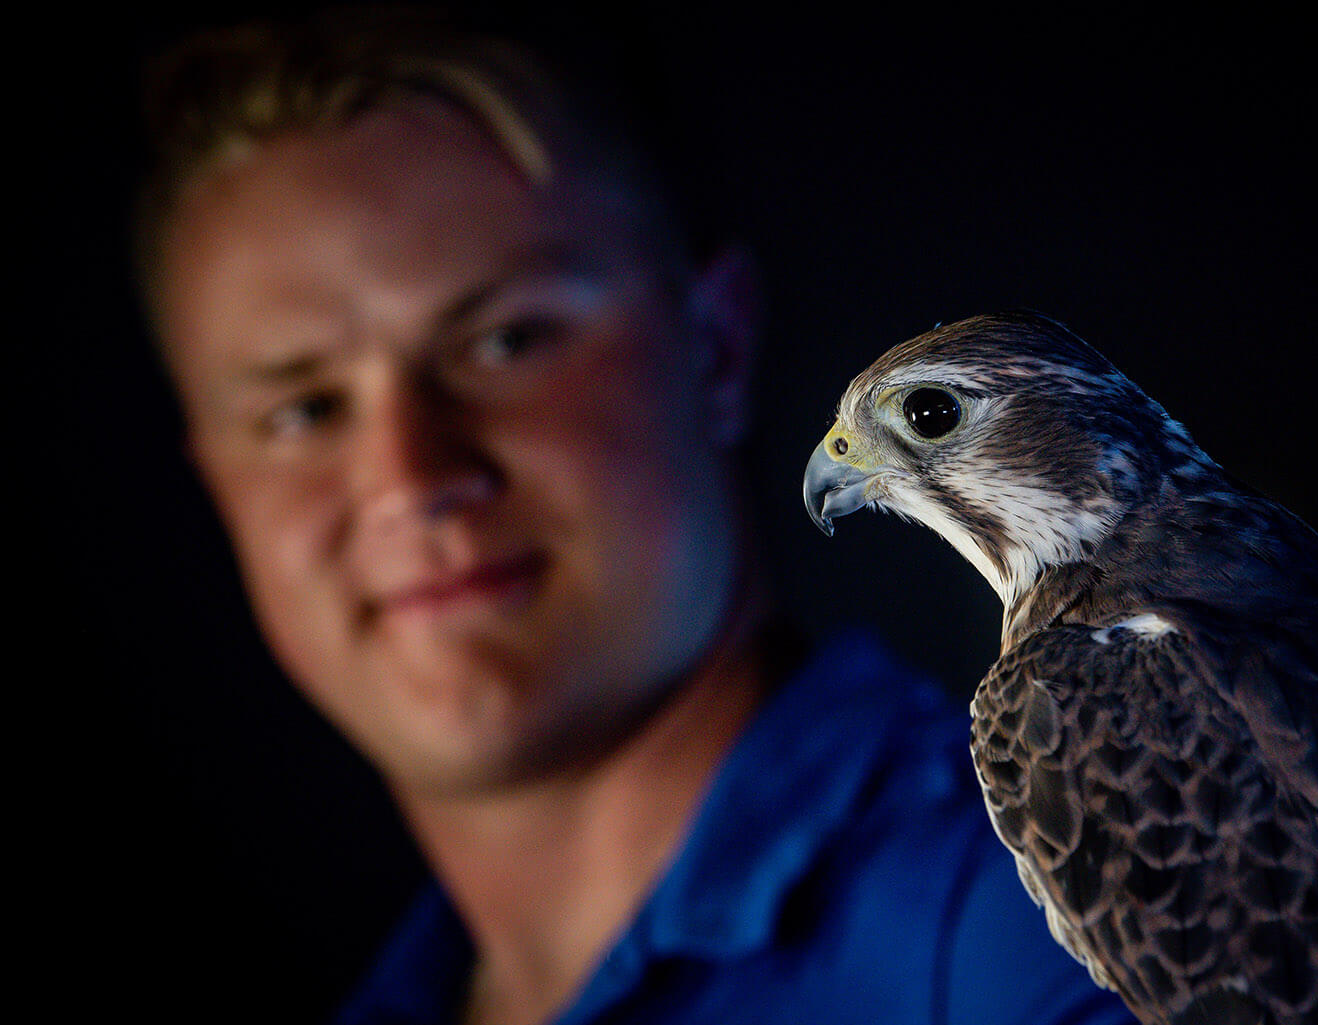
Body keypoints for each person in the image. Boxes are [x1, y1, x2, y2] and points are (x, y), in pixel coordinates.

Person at [134, 9, 1135, 1025]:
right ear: (214, 478)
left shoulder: (1066, 931)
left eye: (506, 341)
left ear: (718, 347)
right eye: (301, 410)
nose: (408, 476)